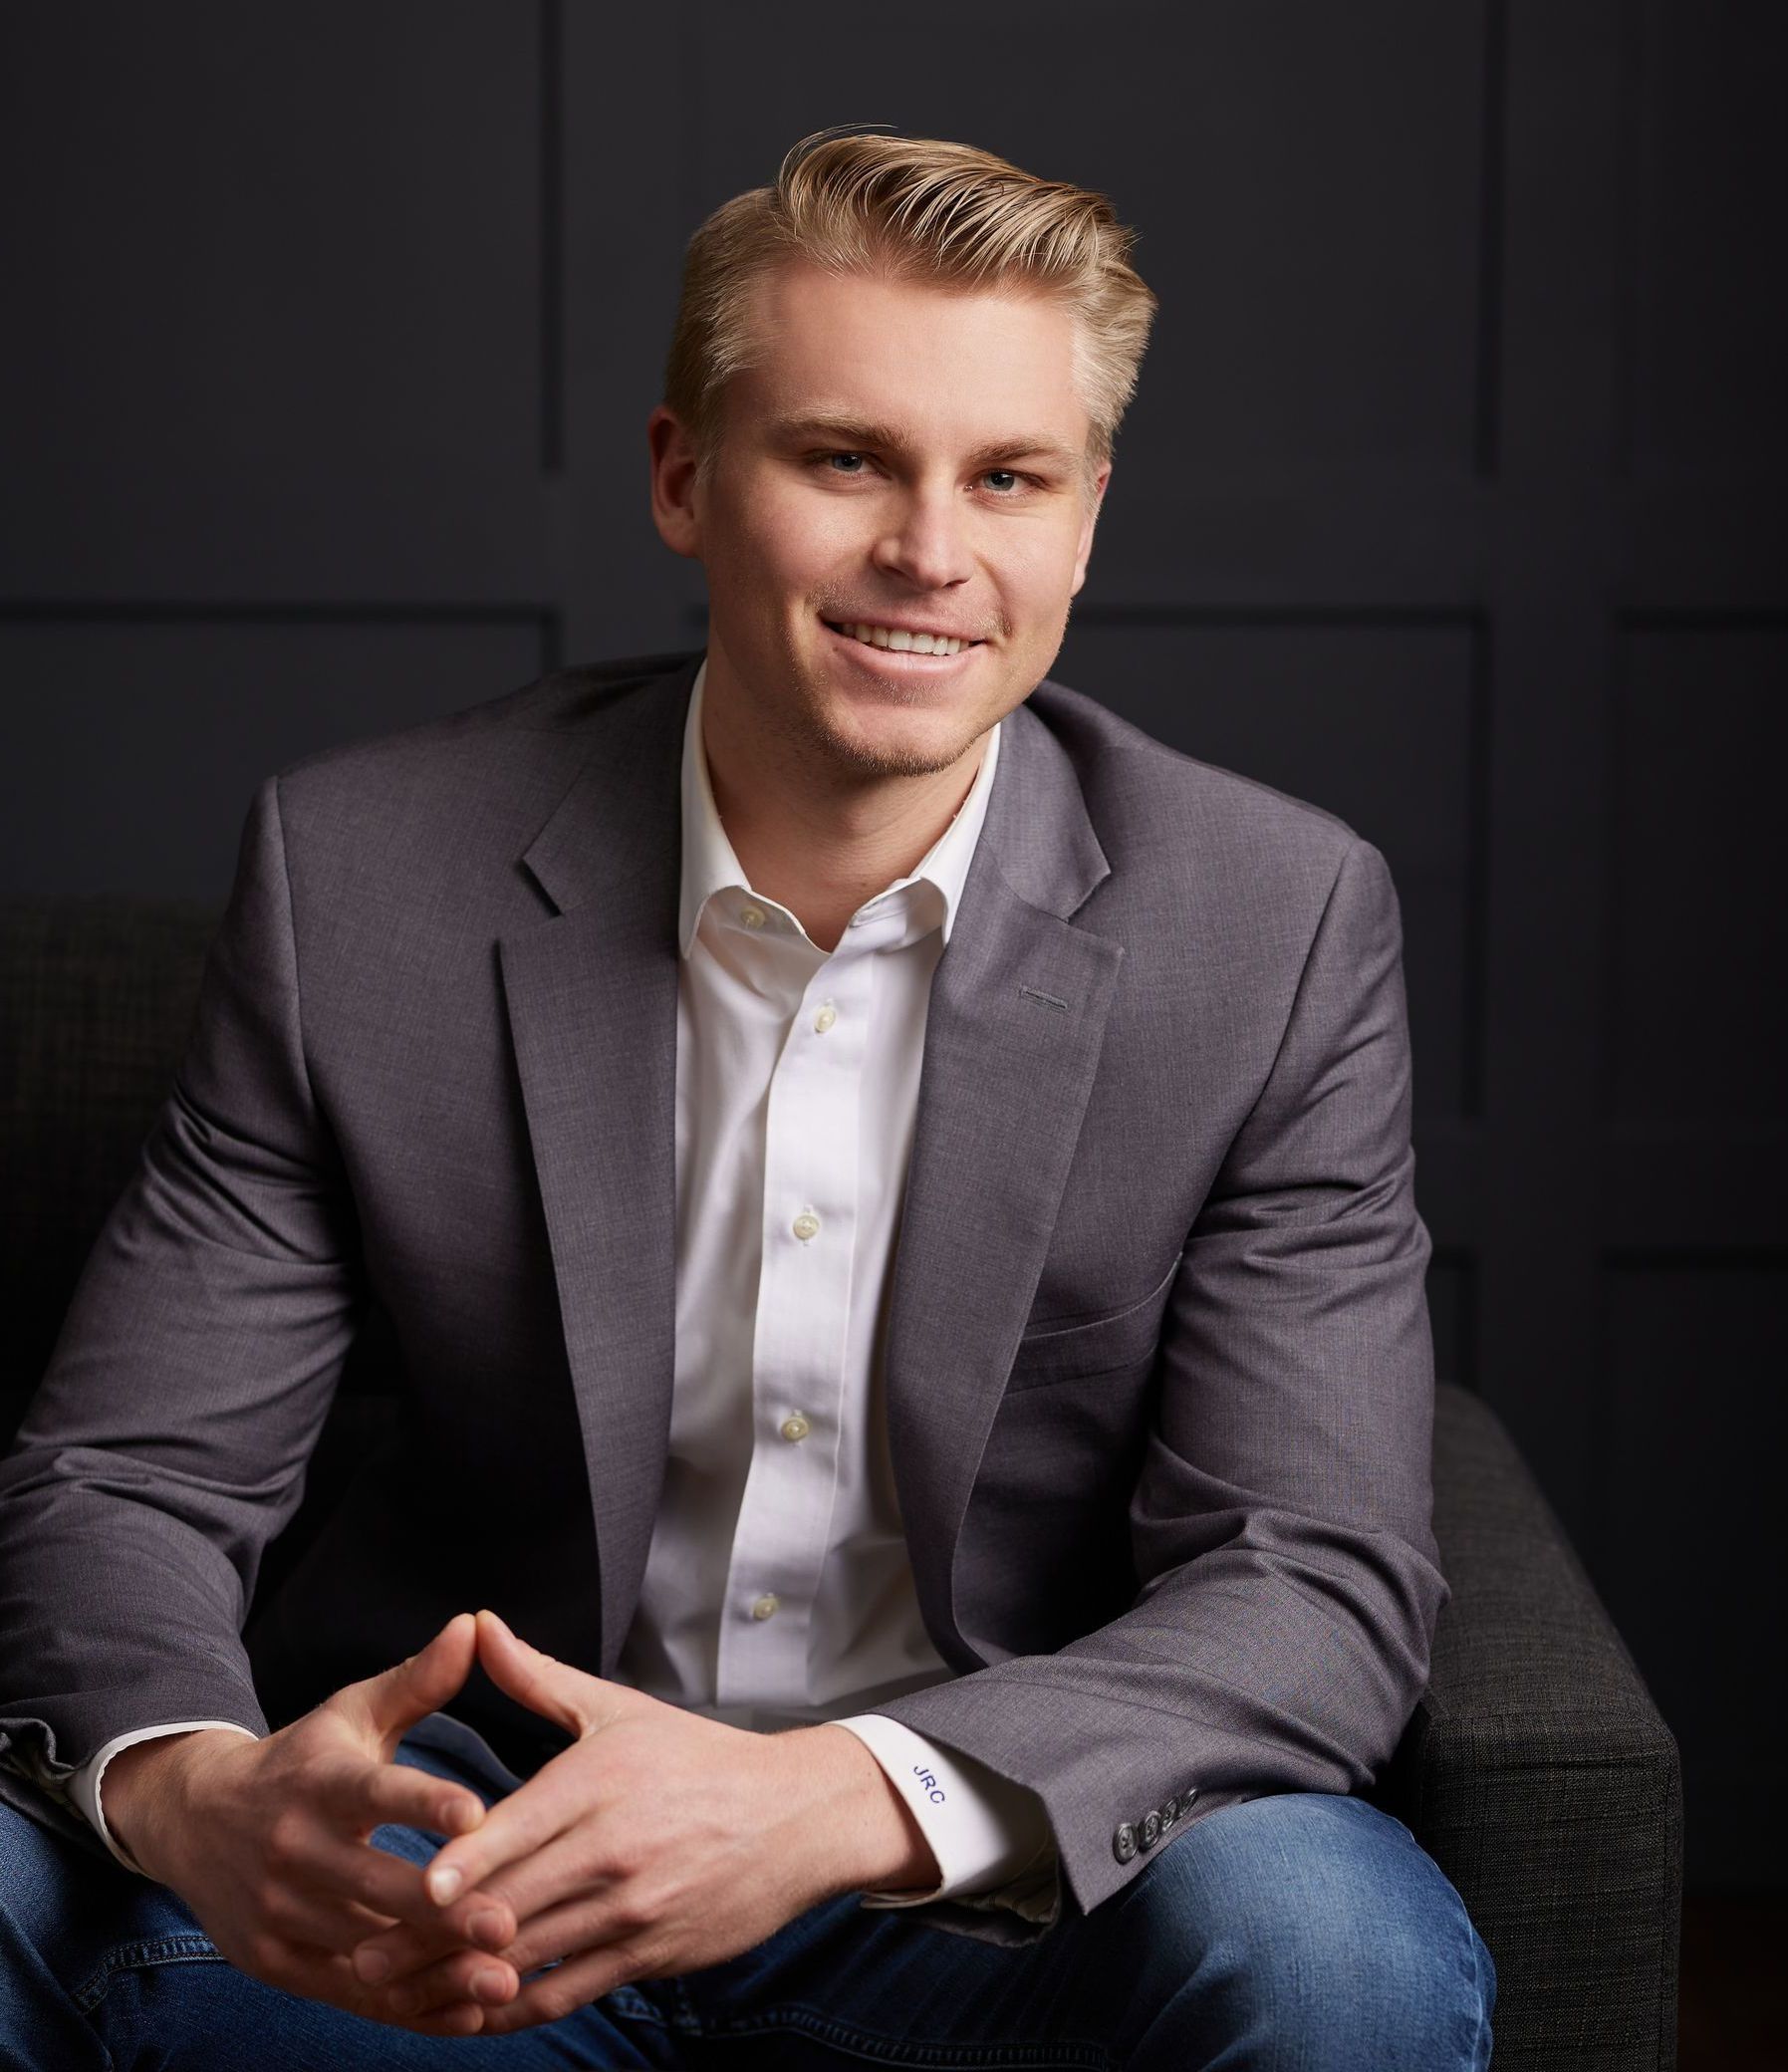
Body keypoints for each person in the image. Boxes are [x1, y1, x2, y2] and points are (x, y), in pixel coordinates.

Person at [0, 128, 1497, 2068]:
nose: (930, 554)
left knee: (1335, 1950)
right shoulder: (362, 877)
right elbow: (135, 1471)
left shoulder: (1272, 923)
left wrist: (825, 1798)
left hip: (994, 1840)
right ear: (684, 479)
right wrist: (196, 1789)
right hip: (482, 1839)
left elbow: (1314, 1574)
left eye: (1008, 478)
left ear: (1086, 516)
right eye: (846, 457)